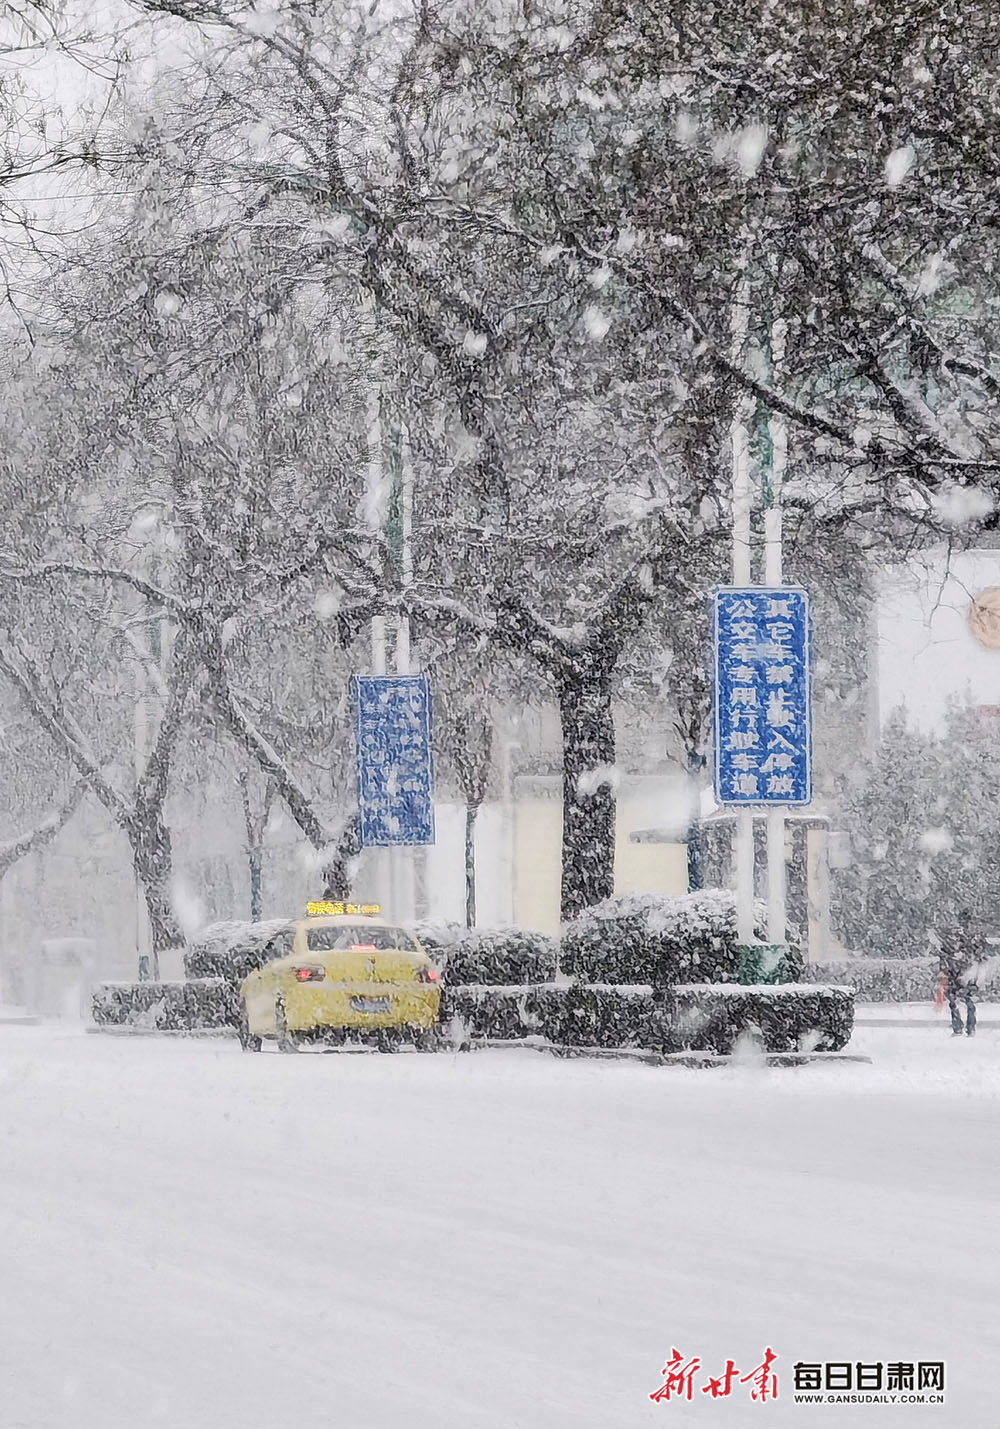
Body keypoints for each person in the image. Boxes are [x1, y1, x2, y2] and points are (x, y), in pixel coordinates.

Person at [937, 908, 980, 1037]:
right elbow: (979, 953)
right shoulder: (973, 936)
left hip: (956, 971)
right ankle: (969, 1028)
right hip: (967, 972)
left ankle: (959, 1027)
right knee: (968, 1001)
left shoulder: (955, 935)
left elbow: (944, 953)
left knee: (955, 1001)